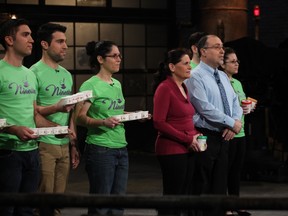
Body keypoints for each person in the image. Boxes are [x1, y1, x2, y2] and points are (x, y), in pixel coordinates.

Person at [0, 18, 58, 216]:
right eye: (25, 35)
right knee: (6, 209)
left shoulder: (30, 74)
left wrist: (56, 128)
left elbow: (34, 114)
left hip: (32, 152)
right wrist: (12, 129)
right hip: (7, 153)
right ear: (9, 39)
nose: (31, 39)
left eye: (31, 35)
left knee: (26, 210)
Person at [185, 35, 243, 216]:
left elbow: (235, 102)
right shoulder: (195, 76)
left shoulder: (224, 77)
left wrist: (234, 124)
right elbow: (204, 108)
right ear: (203, 52)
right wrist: (231, 122)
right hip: (205, 136)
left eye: (222, 47)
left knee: (219, 185)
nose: (222, 51)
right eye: (217, 47)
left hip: (223, 137)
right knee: (203, 185)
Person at [30, 22, 80, 216]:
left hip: (64, 144)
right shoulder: (33, 72)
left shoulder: (66, 75)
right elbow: (32, 112)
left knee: (59, 201)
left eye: (65, 42)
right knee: (43, 201)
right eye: (60, 42)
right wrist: (56, 110)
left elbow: (70, 112)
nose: (65, 46)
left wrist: (73, 143)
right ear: (44, 44)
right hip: (44, 143)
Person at [76, 40, 128, 216]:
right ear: (100, 59)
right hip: (101, 149)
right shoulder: (90, 85)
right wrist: (102, 122)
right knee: (101, 203)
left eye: (119, 55)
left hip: (121, 147)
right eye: (114, 56)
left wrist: (135, 115)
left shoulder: (117, 84)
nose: (119, 59)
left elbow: (116, 112)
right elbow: (80, 117)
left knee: (118, 202)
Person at [152, 48, 202, 216]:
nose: (190, 67)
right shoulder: (165, 88)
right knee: (173, 196)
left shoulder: (183, 87)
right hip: (171, 150)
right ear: (172, 67)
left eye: (190, 63)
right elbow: (159, 122)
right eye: (185, 63)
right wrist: (187, 139)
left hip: (188, 147)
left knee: (183, 196)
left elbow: (185, 118)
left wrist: (196, 135)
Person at [220, 47, 253, 216]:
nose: (236, 64)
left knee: (236, 171)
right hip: (229, 132)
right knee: (225, 170)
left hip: (241, 133)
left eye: (237, 61)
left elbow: (241, 104)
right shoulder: (221, 81)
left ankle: (236, 203)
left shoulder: (238, 82)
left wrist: (249, 106)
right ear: (223, 64)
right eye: (232, 61)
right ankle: (226, 206)